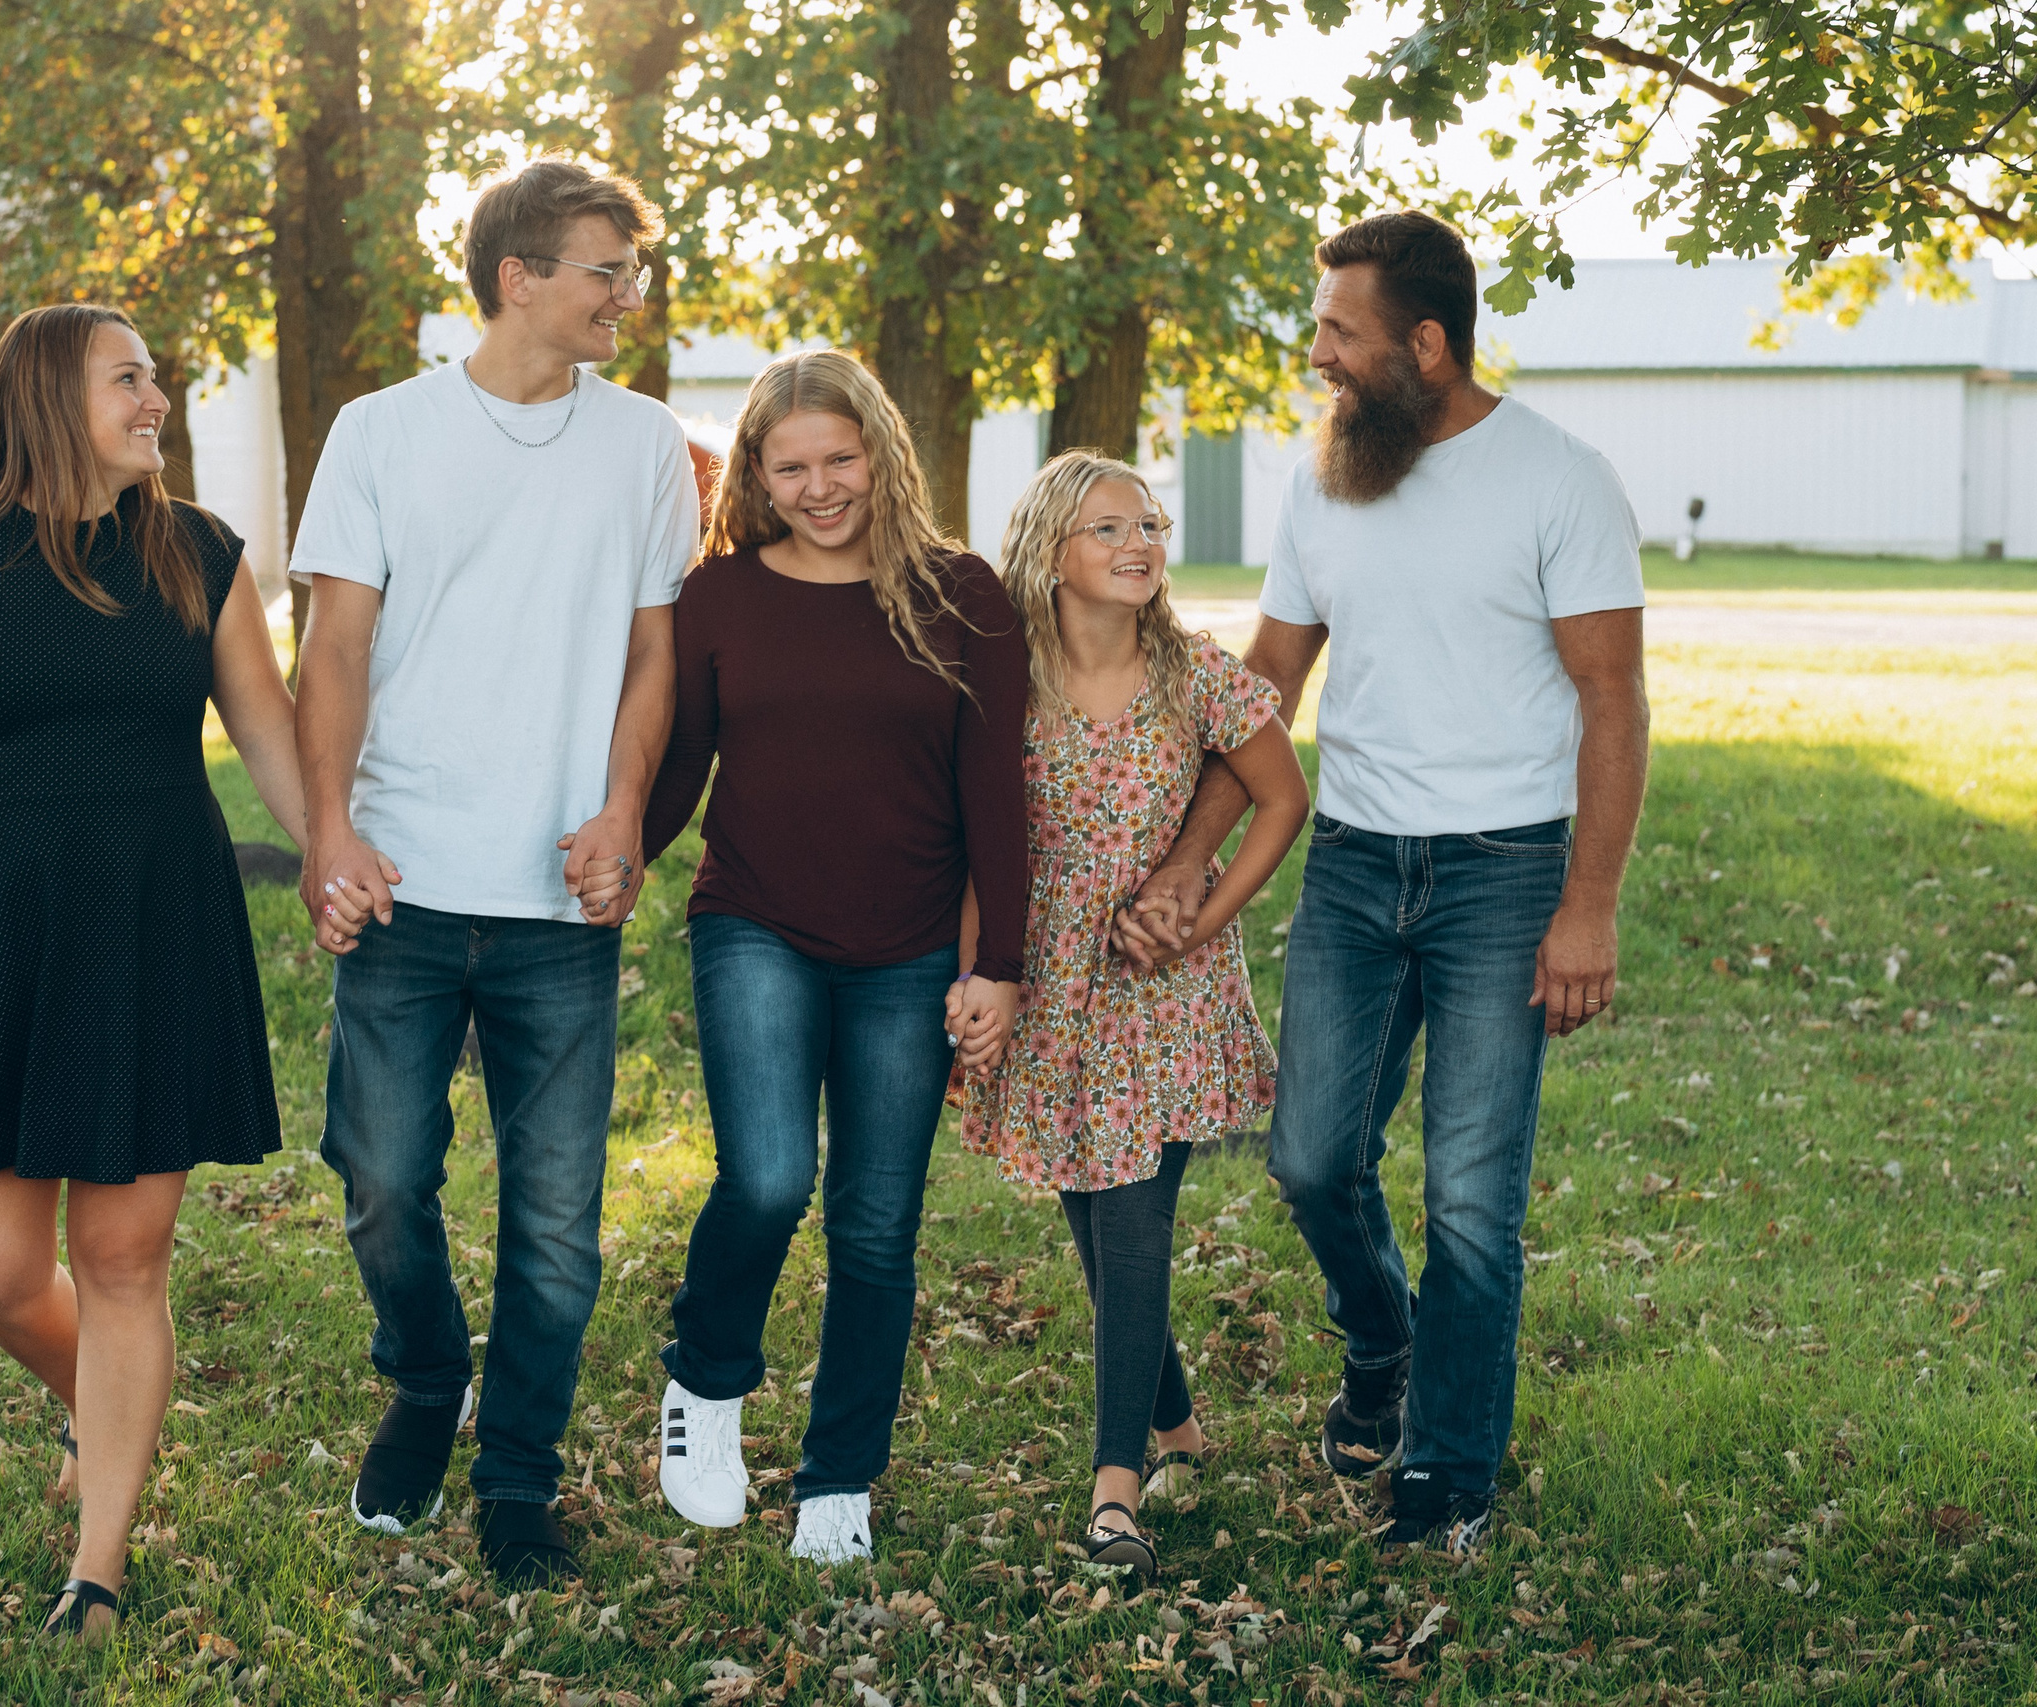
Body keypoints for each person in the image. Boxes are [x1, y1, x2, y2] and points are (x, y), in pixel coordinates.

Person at [1118, 211, 1650, 1557]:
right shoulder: (1326, 482)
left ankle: (1446, 1474)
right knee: (1310, 1155)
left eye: (1341, 333)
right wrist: (1186, 858)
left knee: (1474, 1192)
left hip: (1505, 872)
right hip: (1357, 863)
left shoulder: (1558, 477)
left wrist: (1586, 904)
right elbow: (1268, 690)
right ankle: (1385, 1351)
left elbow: (1612, 698)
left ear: (1425, 340)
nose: (1320, 359)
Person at [0, 303, 307, 1642]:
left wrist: (330, 851)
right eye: (129, 379)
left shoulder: (198, 553)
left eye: (153, 377)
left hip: (157, 927)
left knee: (124, 1256)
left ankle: (97, 1563)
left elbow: (265, 732)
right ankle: (101, 1398)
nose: (157, 398)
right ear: (50, 396)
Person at [289, 160, 701, 1587]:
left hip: (559, 905)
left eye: (632, 271)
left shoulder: (649, 445)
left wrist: (626, 811)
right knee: (387, 1182)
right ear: (518, 274)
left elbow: (655, 652)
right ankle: (422, 1379)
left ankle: (518, 1476)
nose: (627, 296)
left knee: (555, 1225)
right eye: (605, 268)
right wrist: (329, 830)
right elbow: (333, 647)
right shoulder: (380, 432)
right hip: (402, 884)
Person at [632, 350, 1027, 1565]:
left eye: (839, 459)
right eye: (789, 465)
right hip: (754, 921)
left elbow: (995, 799)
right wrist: (608, 863)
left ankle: (838, 1478)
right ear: (754, 472)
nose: (818, 488)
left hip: (909, 949)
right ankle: (703, 1386)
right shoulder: (719, 598)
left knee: (874, 1224)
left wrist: (998, 965)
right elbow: (678, 771)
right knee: (763, 1180)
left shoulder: (962, 594)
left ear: (883, 453)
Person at [959, 450, 1307, 1584]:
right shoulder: (1000, 678)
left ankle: (1115, 1491)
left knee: (1133, 1223)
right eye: (1108, 528)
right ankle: (1179, 1432)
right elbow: (974, 835)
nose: (1138, 545)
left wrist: (1202, 921)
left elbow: (1281, 795)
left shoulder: (1195, 673)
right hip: (1050, 980)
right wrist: (975, 973)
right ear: (1049, 549)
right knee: (1094, 1227)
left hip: (1164, 987)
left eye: (1149, 525)